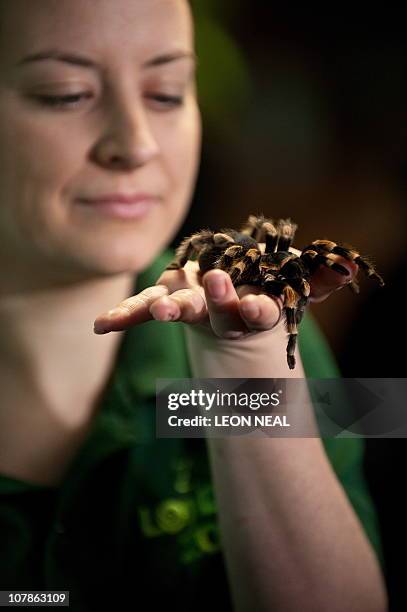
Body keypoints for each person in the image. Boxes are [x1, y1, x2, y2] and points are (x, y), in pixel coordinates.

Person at [0, 1, 387, 611]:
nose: (136, 144)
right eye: (65, 94)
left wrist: (248, 374)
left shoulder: (286, 340)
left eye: (167, 92)